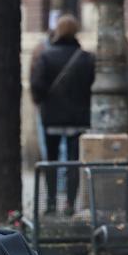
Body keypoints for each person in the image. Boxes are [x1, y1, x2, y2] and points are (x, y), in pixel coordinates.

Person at [30, 13, 96, 215]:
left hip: (52, 118)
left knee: (51, 160)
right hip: (78, 118)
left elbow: (37, 86)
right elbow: (91, 86)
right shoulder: (86, 58)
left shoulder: (46, 57)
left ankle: (50, 203)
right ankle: (69, 203)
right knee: (73, 161)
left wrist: (43, 101)